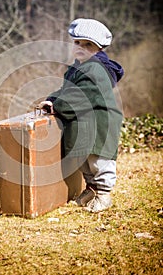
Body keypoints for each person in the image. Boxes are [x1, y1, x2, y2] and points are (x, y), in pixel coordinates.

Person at [38, 18, 124, 212]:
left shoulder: (96, 69)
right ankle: (91, 190)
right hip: (84, 123)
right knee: (84, 158)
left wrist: (57, 107)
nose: (80, 47)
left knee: (98, 160)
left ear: (99, 49)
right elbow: (67, 90)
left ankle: (103, 194)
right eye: (77, 43)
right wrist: (53, 99)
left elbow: (80, 96)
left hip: (100, 122)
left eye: (88, 44)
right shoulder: (79, 67)